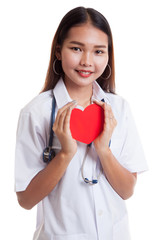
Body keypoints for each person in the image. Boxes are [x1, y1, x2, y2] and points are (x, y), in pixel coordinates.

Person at [15, 6, 148, 240]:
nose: (87, 61)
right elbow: (26, 200)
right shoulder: (36, 113)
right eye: (76, 48)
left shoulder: (119, 109)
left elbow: (127, 190)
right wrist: (65, 154)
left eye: (98, 51)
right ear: (58, 51)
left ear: (108, 56)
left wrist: (103, 150)